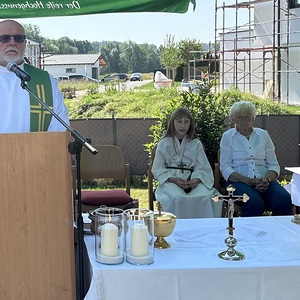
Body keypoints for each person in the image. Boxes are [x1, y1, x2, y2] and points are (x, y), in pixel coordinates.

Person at [219, 101, 293, 217]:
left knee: (284, 199)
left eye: (247, 116)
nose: (243, 120)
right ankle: (248, 234)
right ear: (233, 119)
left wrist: (267, 180)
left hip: (265, 180)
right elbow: (225, 167)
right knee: (254, 202)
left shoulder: (263, 135)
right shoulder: (228, 137)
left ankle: (279, 232)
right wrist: (248, 181)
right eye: (239, 117)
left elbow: (273, 164)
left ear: (253, 118)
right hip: (238, 182)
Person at [151, 107, 222, 219]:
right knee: (177, 197)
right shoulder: (164, 143)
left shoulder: (196, 144)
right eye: (179, 122)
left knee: (205, 196)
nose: (183, 126)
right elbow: (157, 168)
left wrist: (196, 180)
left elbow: (203, 167)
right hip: (171, 182)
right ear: (172, 123)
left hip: (193, 181)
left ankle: (203, 229)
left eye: (186, 122)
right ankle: (175, 229)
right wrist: (174, 179)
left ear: (190, 124)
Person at [0, 19, 69, 133]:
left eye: (18, 38)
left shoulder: (45, 81)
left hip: (37, 150)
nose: (12, 43)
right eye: (4, 38)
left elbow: (59, 126)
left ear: (25, 43)